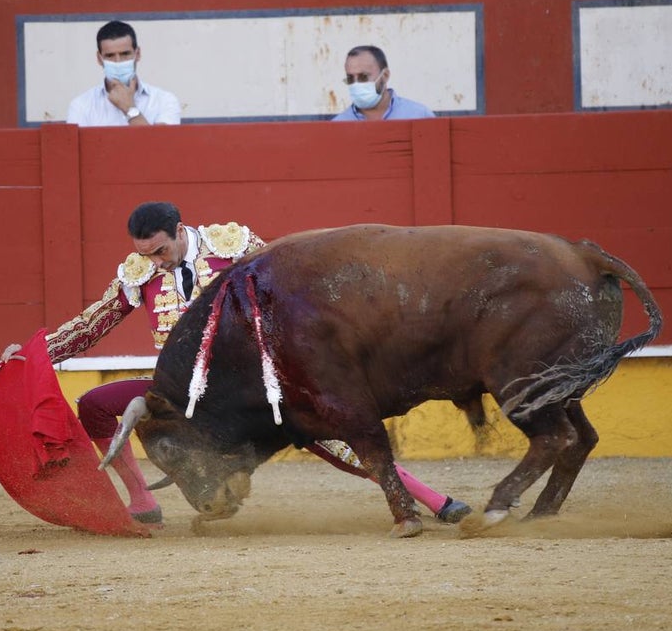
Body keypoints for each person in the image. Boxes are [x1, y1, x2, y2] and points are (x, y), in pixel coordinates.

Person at [40, 201, 473, 526]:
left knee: (336, 440)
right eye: (146, 255)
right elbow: (92, 324)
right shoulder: (138, 271)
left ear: (177, 230)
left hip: (248, 387)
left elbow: (284, 294)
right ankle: (141, 500)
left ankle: (434, 500)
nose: (154, 262)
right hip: (180, 393)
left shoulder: (233, 247)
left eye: (159, 251)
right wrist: (36, 354)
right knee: (93, 404)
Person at [66, 20, 182, 127]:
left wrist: (129, 108)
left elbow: (160, 146)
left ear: (137, 54)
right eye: (110, 56)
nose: (118, 61)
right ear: (99, 58)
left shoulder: (164, 101)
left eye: (125, 54)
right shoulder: (81, 106)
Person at [333, 45, 435, 122]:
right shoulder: (337, 125)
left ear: (385, 75)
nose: (356, 84)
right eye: (350, 79)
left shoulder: (419, 115)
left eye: (363, 77)